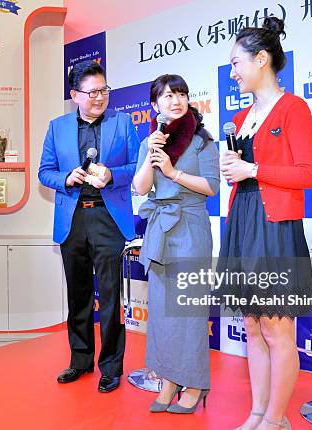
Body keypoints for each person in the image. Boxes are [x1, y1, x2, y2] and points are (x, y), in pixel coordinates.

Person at [216, 18, 312, 429]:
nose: (233, 72)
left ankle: (277, 418)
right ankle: (258, 412)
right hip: (243, 222)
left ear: (262, 60)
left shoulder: (293, 108)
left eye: (237, 62)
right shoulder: (242, 116)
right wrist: (236, 171)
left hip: (275, 226)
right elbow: (245, 174)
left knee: (278, 330)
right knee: (252, 326)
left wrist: (253, 168)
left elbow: (309, 173)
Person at [38, 61, 139, 393]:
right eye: (92, 92)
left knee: (110, 296)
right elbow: (44, 172)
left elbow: (138, 168)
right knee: (78, 294)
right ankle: (80, 361)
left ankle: (111, 366)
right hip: (73, 218)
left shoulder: (123, 123)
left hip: (108, 218)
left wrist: (114, 175)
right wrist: (66, 178)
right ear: (74, 95)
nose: (100, 97)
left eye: (104, 90)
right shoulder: (58, 127)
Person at [133, 74, 220, 414]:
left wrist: (172, 172)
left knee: (189, 311)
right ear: (155, 105)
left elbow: (211, 186)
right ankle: (169, 379)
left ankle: (195, 383)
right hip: (160, 232)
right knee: (163, 313)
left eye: (181, 94)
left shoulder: (202, 141)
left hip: (191, 227)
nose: (176, 100)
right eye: (168, 96)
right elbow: (141, 189)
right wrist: (151, 155)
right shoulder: (151, 142)